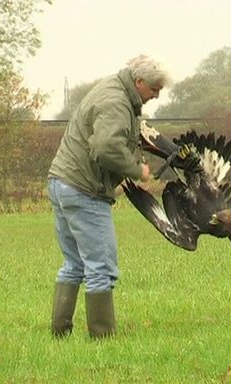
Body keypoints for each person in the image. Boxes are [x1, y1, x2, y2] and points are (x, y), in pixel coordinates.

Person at [47, 54, 172, 339]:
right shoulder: (117, 103)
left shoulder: (112, 89)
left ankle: (59, 333)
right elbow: (104, 147)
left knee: (74, 263)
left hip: (61, 181)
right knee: (101, 267)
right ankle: (102, 339)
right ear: (139, 82)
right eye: (154, 89)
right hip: (83, 189)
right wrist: (136, 169)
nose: (156, 95)